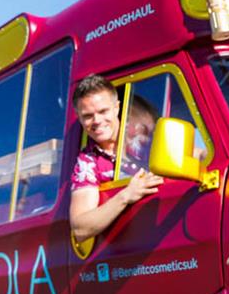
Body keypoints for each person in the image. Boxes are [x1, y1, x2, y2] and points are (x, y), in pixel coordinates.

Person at [69, 75, 163, 242]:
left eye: (103, 111)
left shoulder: (143, 134)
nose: (97, 121)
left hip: (166, 224)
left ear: (116, 108)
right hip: (132, 246)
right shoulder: (87, 162)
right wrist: (126, 195)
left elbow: (195, 154)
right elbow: (80, 228)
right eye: (88, 116)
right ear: (79, 118)